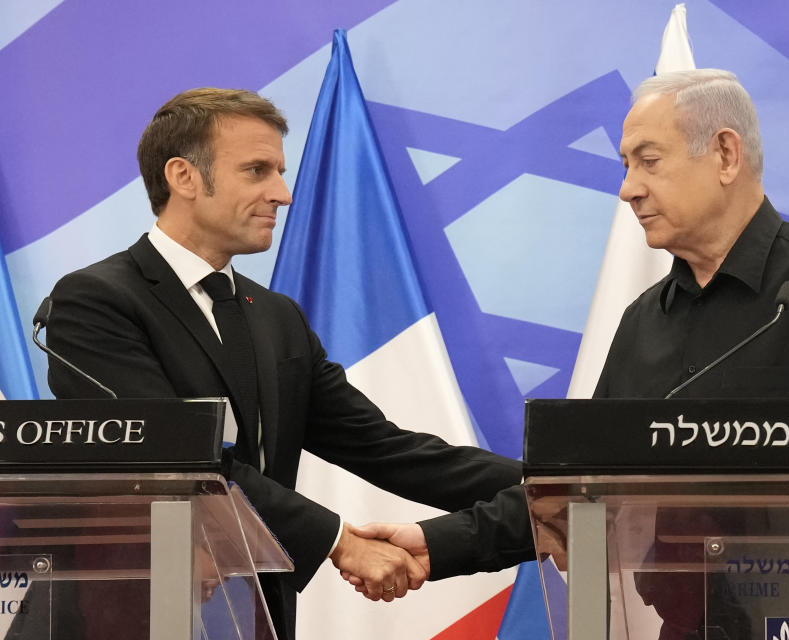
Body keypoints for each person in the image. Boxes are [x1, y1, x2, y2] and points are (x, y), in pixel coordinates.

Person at [349, 69, 789, 635]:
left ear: (726, 154)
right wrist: (439, 543)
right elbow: (579, 493)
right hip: (683, 626)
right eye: (626, 166)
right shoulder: (643, 321)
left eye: (648, 161)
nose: (628, 188)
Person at [43, 88, 522, 640]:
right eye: (257, 171)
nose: (284, 193)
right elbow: (177, 457)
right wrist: (340, 540)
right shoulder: (96, 300)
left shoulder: (275, 315)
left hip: (258, 613)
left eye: (280, 171)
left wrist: (556, 489)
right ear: (184, 177)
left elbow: (386, 449)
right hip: (136, 609)